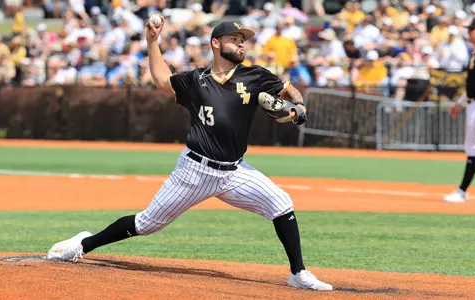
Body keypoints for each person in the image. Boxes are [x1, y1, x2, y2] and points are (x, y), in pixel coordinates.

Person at [46, 18, 333, 291]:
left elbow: (290, 90)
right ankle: (83, 245)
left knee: (282, 204)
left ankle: (298, 274)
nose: (242, 45)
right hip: (195, 171)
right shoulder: (197, 80)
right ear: (216, 44)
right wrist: (152, 41)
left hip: (235, 172)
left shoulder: (255, 75)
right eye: (235, 39)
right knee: (145, 224)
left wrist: (298, 108)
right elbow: (162, 80)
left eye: (243, 40)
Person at [444, 18, 475, 203]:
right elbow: (473, 83)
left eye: (472, 30)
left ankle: (462, 191)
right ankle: (462, 191)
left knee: (474, 148)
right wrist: (460, 103)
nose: (469, 33)